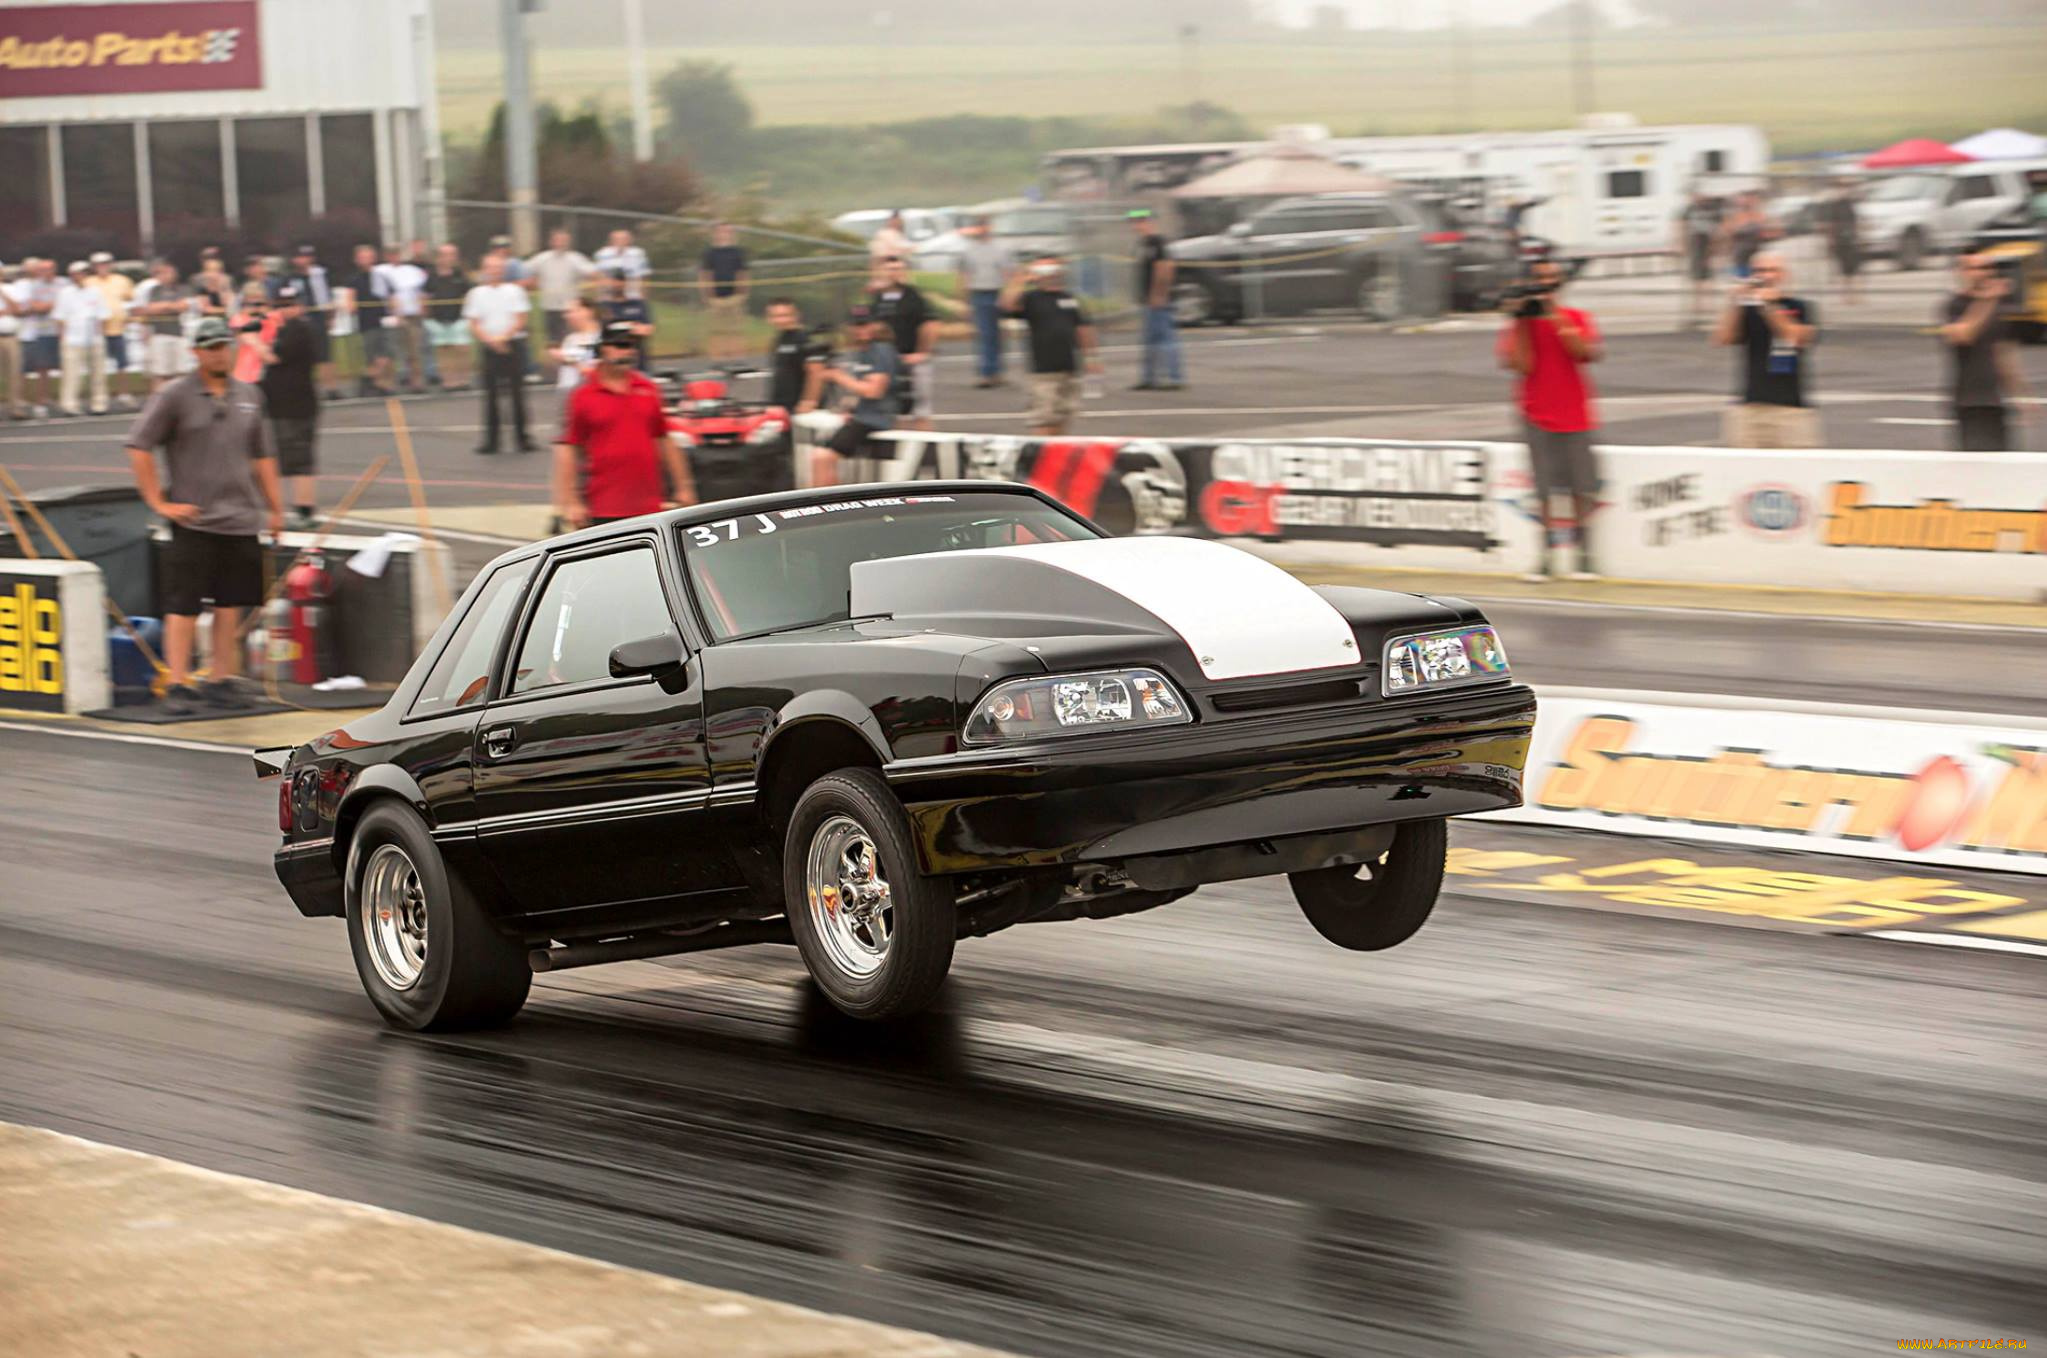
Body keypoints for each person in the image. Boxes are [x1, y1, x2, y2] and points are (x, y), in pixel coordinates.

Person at [123, 316, 285, 712]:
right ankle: (178, 682)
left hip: (241, 517)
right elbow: (139, 445)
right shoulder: (175, 395)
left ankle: (220, 678)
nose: (219, 353)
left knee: (232, 603)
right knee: (184, 605)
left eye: (223, 346)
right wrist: (159, 503)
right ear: (196, 352)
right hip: (193, 518)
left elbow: (262, 455)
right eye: (210, 347)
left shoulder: (249, 395)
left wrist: (276, 508)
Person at [1496, 258, 1603, 580]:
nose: (1546, 285)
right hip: (1537, 414)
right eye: (1540, 280)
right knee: (1544, 490)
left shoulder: (1575, 317)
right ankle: (1545, 556)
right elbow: (1521, 365)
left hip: (1575, 413)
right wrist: (1525, 321)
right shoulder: (1519, 325)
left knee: (1581, 488)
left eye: (1551, 280)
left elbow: (1585, 352)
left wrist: (1552, 312)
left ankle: (1583, 554)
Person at [553, 321, 697, 530]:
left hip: (649, 508)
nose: (628, 351)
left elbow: (664, 439)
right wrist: (571, 501)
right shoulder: (582, 395)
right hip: (601, 509)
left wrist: (684, 487)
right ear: (602, 349)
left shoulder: (648, 389)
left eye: (631, 346)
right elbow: (569, 450)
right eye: (620, 345)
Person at [1713, 251, 1821, 449]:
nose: (1766, 276)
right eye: (1760, 271)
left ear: (1784, 275)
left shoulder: (1800, 307)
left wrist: (1770, 306)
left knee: (1798, 471)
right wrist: (1735, 303)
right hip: (1751, 407)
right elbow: (1723, 338)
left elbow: (1795, 337)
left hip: (1791, 409)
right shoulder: (1748, 310)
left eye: (1773, 270)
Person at [1000, 255, 1100, 437]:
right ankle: (1039, 460)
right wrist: (1022, 278)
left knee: (1064, 417)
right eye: (1044, 270)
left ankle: (1057, 459)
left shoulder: (1070, 299)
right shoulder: (1031, 299)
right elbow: (1007, 306)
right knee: (1044, 419)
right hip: (1044, 371)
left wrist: (1091, 357)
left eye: (1053, 269)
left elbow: (1083, 328)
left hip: (1069, 368)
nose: (1050, 273)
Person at [249, 283, 323, 530]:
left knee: (298, 459)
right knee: (280, 458)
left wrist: (252, 341)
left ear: (300, 306)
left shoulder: (299, 329)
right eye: (281, 305)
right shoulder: (285, 329)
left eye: (290, 305)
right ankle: (290, 508)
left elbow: (273, 356)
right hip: (283, 404)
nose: (286, 310)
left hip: (295, 405)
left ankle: (304, 510)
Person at [1940, 254, 2030, 452]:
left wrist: (2019, 394)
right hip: (1970, 401)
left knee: (2002, 463)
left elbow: (2002, 352)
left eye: (1988, 268)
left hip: (1995, 400)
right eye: (1976, 268)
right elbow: (1963, 335)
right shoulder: (1955, 305)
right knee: (1976, 465)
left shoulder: (1997, 306)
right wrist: (1987, 301)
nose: (1984, 273)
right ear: (1962, 272)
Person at [811, 304, 898, 489]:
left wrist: (839, 376)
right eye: (857, 325)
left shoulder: (880, 351)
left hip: (876, 417)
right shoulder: (863, 353)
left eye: (865, 325)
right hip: (864, 415)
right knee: (820, 453)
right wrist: (850, 407)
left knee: (822, 457)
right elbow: (861, 389)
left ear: (874, 325)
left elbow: (874, 391)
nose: (861, 330)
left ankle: (824, 503)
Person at [464, 256, 535, 455]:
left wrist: (504, 338)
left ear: (503, 270)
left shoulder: (515, 291)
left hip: (513, 345)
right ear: (483, 269)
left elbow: (521, 318)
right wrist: (490, 340)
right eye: (490, 267)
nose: (494, 271)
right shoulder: (476, 294)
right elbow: (474, 323)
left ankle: (523, 439)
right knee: (491, 395)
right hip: (489, 347)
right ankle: (491, 442)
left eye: (498, 267)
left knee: (517, 394)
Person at [869, 256, 937, 432]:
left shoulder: (914, 297)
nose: (894, 273)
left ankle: (926, 451)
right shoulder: (878, 298)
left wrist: (922, 352)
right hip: (887, 362)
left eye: (898, 269)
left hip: (912, 360)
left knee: (921, 411)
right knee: (892, 412)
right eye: (890, 269)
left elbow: (930, 324)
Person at [1130, 209, 1184, 391]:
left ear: (1150, 222)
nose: (1138, 225)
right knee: (1150, 340)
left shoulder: (1158, 243)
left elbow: (1165, 268)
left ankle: (1174, 377)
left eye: (1141, 221)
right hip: (1147, 299)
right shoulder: (1142, 244)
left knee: (1165, 338)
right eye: (1136, 222)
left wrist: (1159, 294)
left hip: (1158, 299)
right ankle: (1149, 377)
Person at [955, 217, 1011, 388]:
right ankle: (987, 372)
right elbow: (964, 275)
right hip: (978, 293)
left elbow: (1008, 272)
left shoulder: (1000, 249)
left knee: (997, 335)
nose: (981, 229)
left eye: (984, 226)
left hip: (996, 292)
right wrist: (965, 301)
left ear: (990, 227)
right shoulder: (969, 251)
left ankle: (997, 371)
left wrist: (1007, 295)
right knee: (985, 334)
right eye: (978, 226)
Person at [527, 227, 597, 358]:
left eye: (563, 240)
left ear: (568, 241)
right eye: (557, 240)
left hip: (571, 309)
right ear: (551, 242)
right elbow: (525, 270)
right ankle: (553, 371)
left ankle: (575, 361)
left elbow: (592, 272)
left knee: (571, 339)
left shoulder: (575, 258)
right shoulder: (542, 258)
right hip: (550, 307)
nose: (560, 243)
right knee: (552, 341)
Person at [55, 260, 111, 418]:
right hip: (73, 339)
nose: (81, 276)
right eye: (78, 273)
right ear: (72, 275)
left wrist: (100, 336)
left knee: (98, 373)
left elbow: (103, 315)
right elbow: (60, 318)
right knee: (72, 374)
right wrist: (63, 339)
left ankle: (99, 403)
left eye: (84, 273)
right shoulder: (65, 293)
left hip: (94, 338)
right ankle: (69, 404)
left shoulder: (95, 291)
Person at [284, 244, 337, 398]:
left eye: (307, 257)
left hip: (319, 317)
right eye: (300, 257)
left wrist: (330, 316)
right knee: (304, 356)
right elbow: (287, 300)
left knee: (325, 355)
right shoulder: (290, 279)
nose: (304, 260)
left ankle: (331, 388)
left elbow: (328, 296)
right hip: (301, 320)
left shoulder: (321, 275)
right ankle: (306, 388)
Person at [84, 252, 137, 407]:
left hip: (118, 328)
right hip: (96, 331)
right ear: (94, 267)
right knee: (97, 365)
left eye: (106, 263)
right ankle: (100, 397)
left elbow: (131, 301)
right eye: (99, 264)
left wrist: (129, 318)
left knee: (122, 364)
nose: (103, 267)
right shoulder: (88, 282)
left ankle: (124, 394)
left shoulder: (122, 281)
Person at [342, 244, 393, 396]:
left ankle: (372, 381)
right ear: (357, 260)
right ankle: (369, 383)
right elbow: (350, 298)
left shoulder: (381, 276)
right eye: (363, 257)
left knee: (385, 355)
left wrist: (393, 310)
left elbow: (390, 296)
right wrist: (351, 306)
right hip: (366, 322)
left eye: (369, 257)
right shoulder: (354, 279)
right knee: (371, 355)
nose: (366, 260)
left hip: (383, 320)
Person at [377, 243, 430, 390]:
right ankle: (389, 383)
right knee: (391, 351)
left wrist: (423, 307)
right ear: (386, 256)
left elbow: (422, 292)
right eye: (391, 253)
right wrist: (394, 312)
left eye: (396, 253)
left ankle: (416, 382)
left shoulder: (413, 271)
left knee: (415, 351)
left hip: (412, 315)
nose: (394, 256)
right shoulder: (380, 271)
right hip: (391, 318)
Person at [135, 259, 193, 393]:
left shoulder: (182, 289)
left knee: (181, 371)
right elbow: (149, 308)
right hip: (159, 334)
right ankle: (158, 402)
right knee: (160, 372)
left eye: (169, 273)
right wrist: (170, 306)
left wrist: (164, 306)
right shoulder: (152, 291)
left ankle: (180, 402)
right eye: (162, 273)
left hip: (178, 334)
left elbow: (183, 306)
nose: (166, 276)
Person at [423, 243, 473, 390]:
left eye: (452, 254)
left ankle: (463, 380)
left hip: (458, 318)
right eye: (445, 255)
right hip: (437, 320)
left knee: (461, 349)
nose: (449, 258)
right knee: (444, 352)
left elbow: (468, 294)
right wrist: (427, 316)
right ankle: (448, 381)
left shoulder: (461, 275)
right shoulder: (431, 276)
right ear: (439, 257)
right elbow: (425, 296)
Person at [698, 223, 750, 360]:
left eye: (727, 232)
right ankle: (717, 358)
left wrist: (743, 292)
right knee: (716, 330)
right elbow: (705, 274)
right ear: (715, 234)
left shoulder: (738, 252)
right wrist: (707, 294)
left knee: (736, 329)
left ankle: (737, 357)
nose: (724, 234)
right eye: (721, 232)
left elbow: (743, 273)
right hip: (715, 298)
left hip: (735, 296)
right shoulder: (709, 253)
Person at [765, 297, 826, 414]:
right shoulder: (779, 340)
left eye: (785, 315)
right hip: (781, 405)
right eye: (776, 316)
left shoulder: (804, 338)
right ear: (769, 318)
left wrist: (809, 401)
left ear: (796, 315)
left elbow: (816, 373)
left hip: (801, 407)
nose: (781, 320)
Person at [17, 259, 61, 419]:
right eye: (40, 269)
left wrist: (46, 305)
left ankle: (45, 398)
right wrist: (50, 305)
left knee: (48, 369)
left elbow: (64, 304)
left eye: (46, 269)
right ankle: (33, 401)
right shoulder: (30, 286)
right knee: (36, 368)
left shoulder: (62, 283)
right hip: (36, 332)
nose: (42, 272)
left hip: (57, 331)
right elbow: (31, 307)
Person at [1674, 189, 1722, 329]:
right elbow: (1681, 225)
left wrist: (1717, 248)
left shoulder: (1712, 209)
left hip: (1709, 244)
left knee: (1709, 277)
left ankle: (1709, 306)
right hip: (1695, 244)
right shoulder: (1689, 210)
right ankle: (1697, 306)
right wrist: (1680, 243)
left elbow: (1719, 228)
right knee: (1696, 278)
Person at [598, 269, 654, 369]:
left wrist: (623, 327)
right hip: (614, 364)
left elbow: (647, 330)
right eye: (614, 280)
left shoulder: (638, 304)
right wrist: (632, 326)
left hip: (637, 361)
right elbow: (601, 333)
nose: (617, 284)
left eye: (620, 280)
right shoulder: (603, 307)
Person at [1819, 184, 1862, 306]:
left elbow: (1855, 222)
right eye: (1840, 189)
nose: (1843, 191)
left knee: (1853, 269)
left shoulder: (1850, 205)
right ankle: (1846, 296)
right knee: (1843, 270)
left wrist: (1857, 237)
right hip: (1840, 241)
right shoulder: (1834, 206)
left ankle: (1854, 295)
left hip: (1851, 240)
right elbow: (1830, 225)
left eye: (1845, 188)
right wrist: (1831, 241)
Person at [551, 297, 603, 395]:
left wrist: (567, 358)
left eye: (572, 311)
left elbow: (594, 372)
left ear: (588, 312)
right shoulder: (571, 339)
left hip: (587, 395)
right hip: (567, 393)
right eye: (566, 312)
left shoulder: (600, 338)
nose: (567, 316)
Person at [1718, 191, 1770, 280]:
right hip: (1740, 257)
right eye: (1744, 199)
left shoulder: (1760, 215)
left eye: (1751, 199)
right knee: (1742, 282)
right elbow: (1725, 232)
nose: (1747, 201)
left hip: (1757, 256)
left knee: (1758, 281)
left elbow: (1768, 232)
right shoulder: (1733, 216)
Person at [593, 229, 650, 298]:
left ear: (630, 240)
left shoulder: (638, 253)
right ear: (611, 240)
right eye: (617, 239)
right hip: (608, 296)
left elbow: (644, 276)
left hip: (633, 295)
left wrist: (643, 295)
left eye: (624, 239)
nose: (620, 241)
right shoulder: (602, 254)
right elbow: (598, 275)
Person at [0, 262, 25, 419]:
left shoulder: (12, 289)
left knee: (14, 374)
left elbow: (17, 309)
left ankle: (15, 408)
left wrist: (2, 293)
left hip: (10, 336)